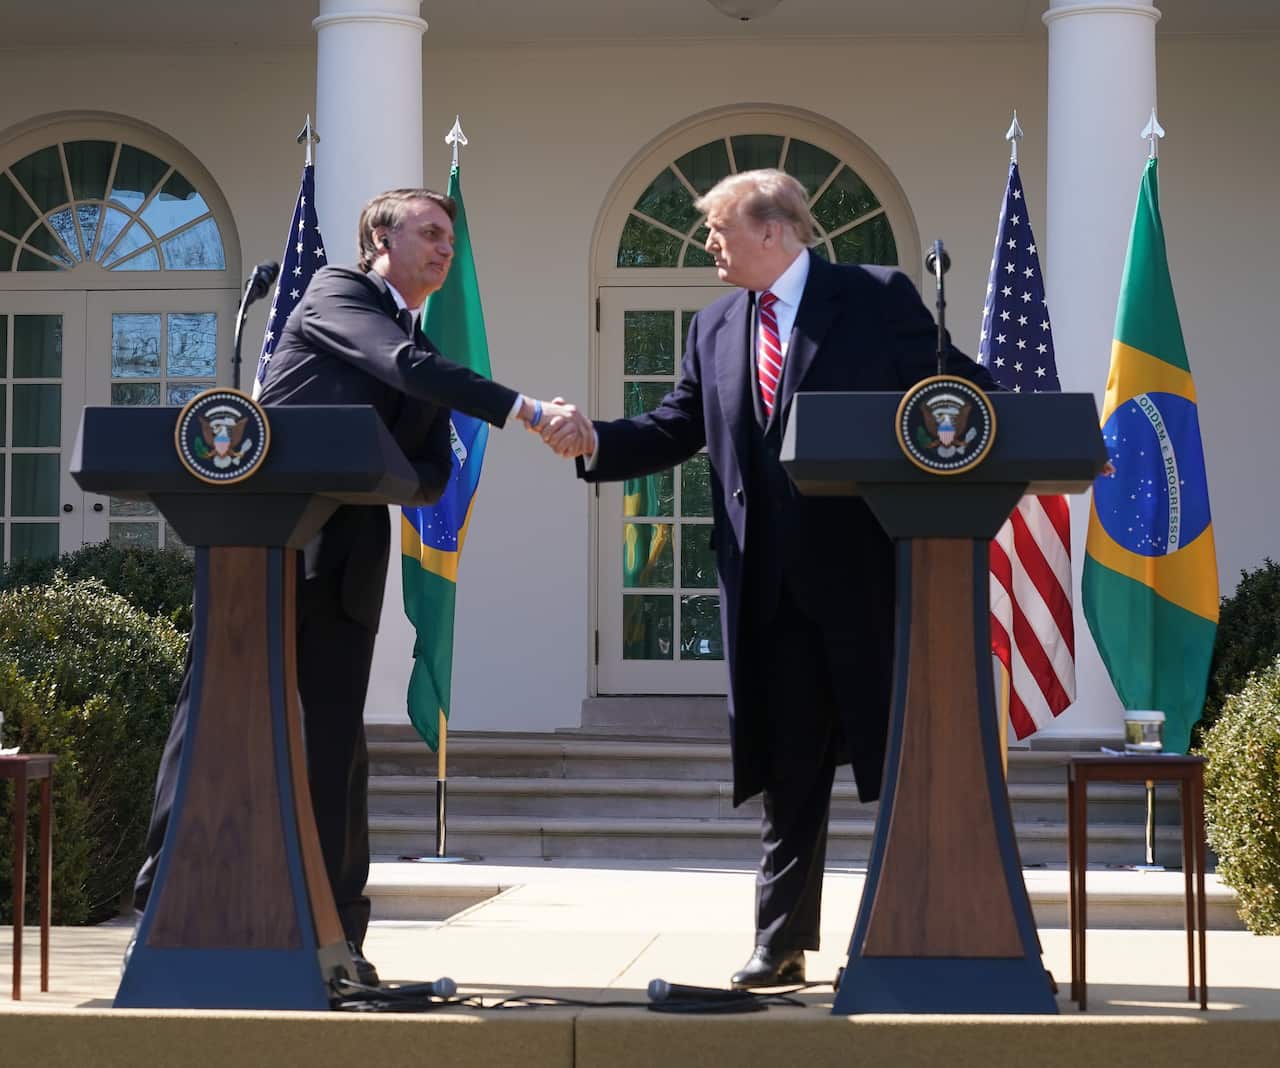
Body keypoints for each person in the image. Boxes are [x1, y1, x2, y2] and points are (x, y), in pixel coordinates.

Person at [542, 169, 999, 989]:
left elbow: (962, 387)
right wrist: (596, 443)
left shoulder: (875, 296)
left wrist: (1007, 427)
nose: (710, 245)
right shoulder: (715, 324)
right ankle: (779, 942)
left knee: (906, 761)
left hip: (868, 584)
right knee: (789, 772)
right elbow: (677, 424)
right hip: (765, 590)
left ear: (774, 230)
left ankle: (940, 924)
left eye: (718, 229)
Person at [133, 187, 577, 986]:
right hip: (261, 549)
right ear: (381, 238)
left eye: (450, 237)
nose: (445, 249)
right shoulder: (338, 291)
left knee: (338, 748)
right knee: (221, 711)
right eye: (430, 233)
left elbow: (433, 472)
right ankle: (169, 888)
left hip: (347, 559)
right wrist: (526, 410)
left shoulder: (414, 340)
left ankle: (338, 932)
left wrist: (390, 466)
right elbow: (405, 374)